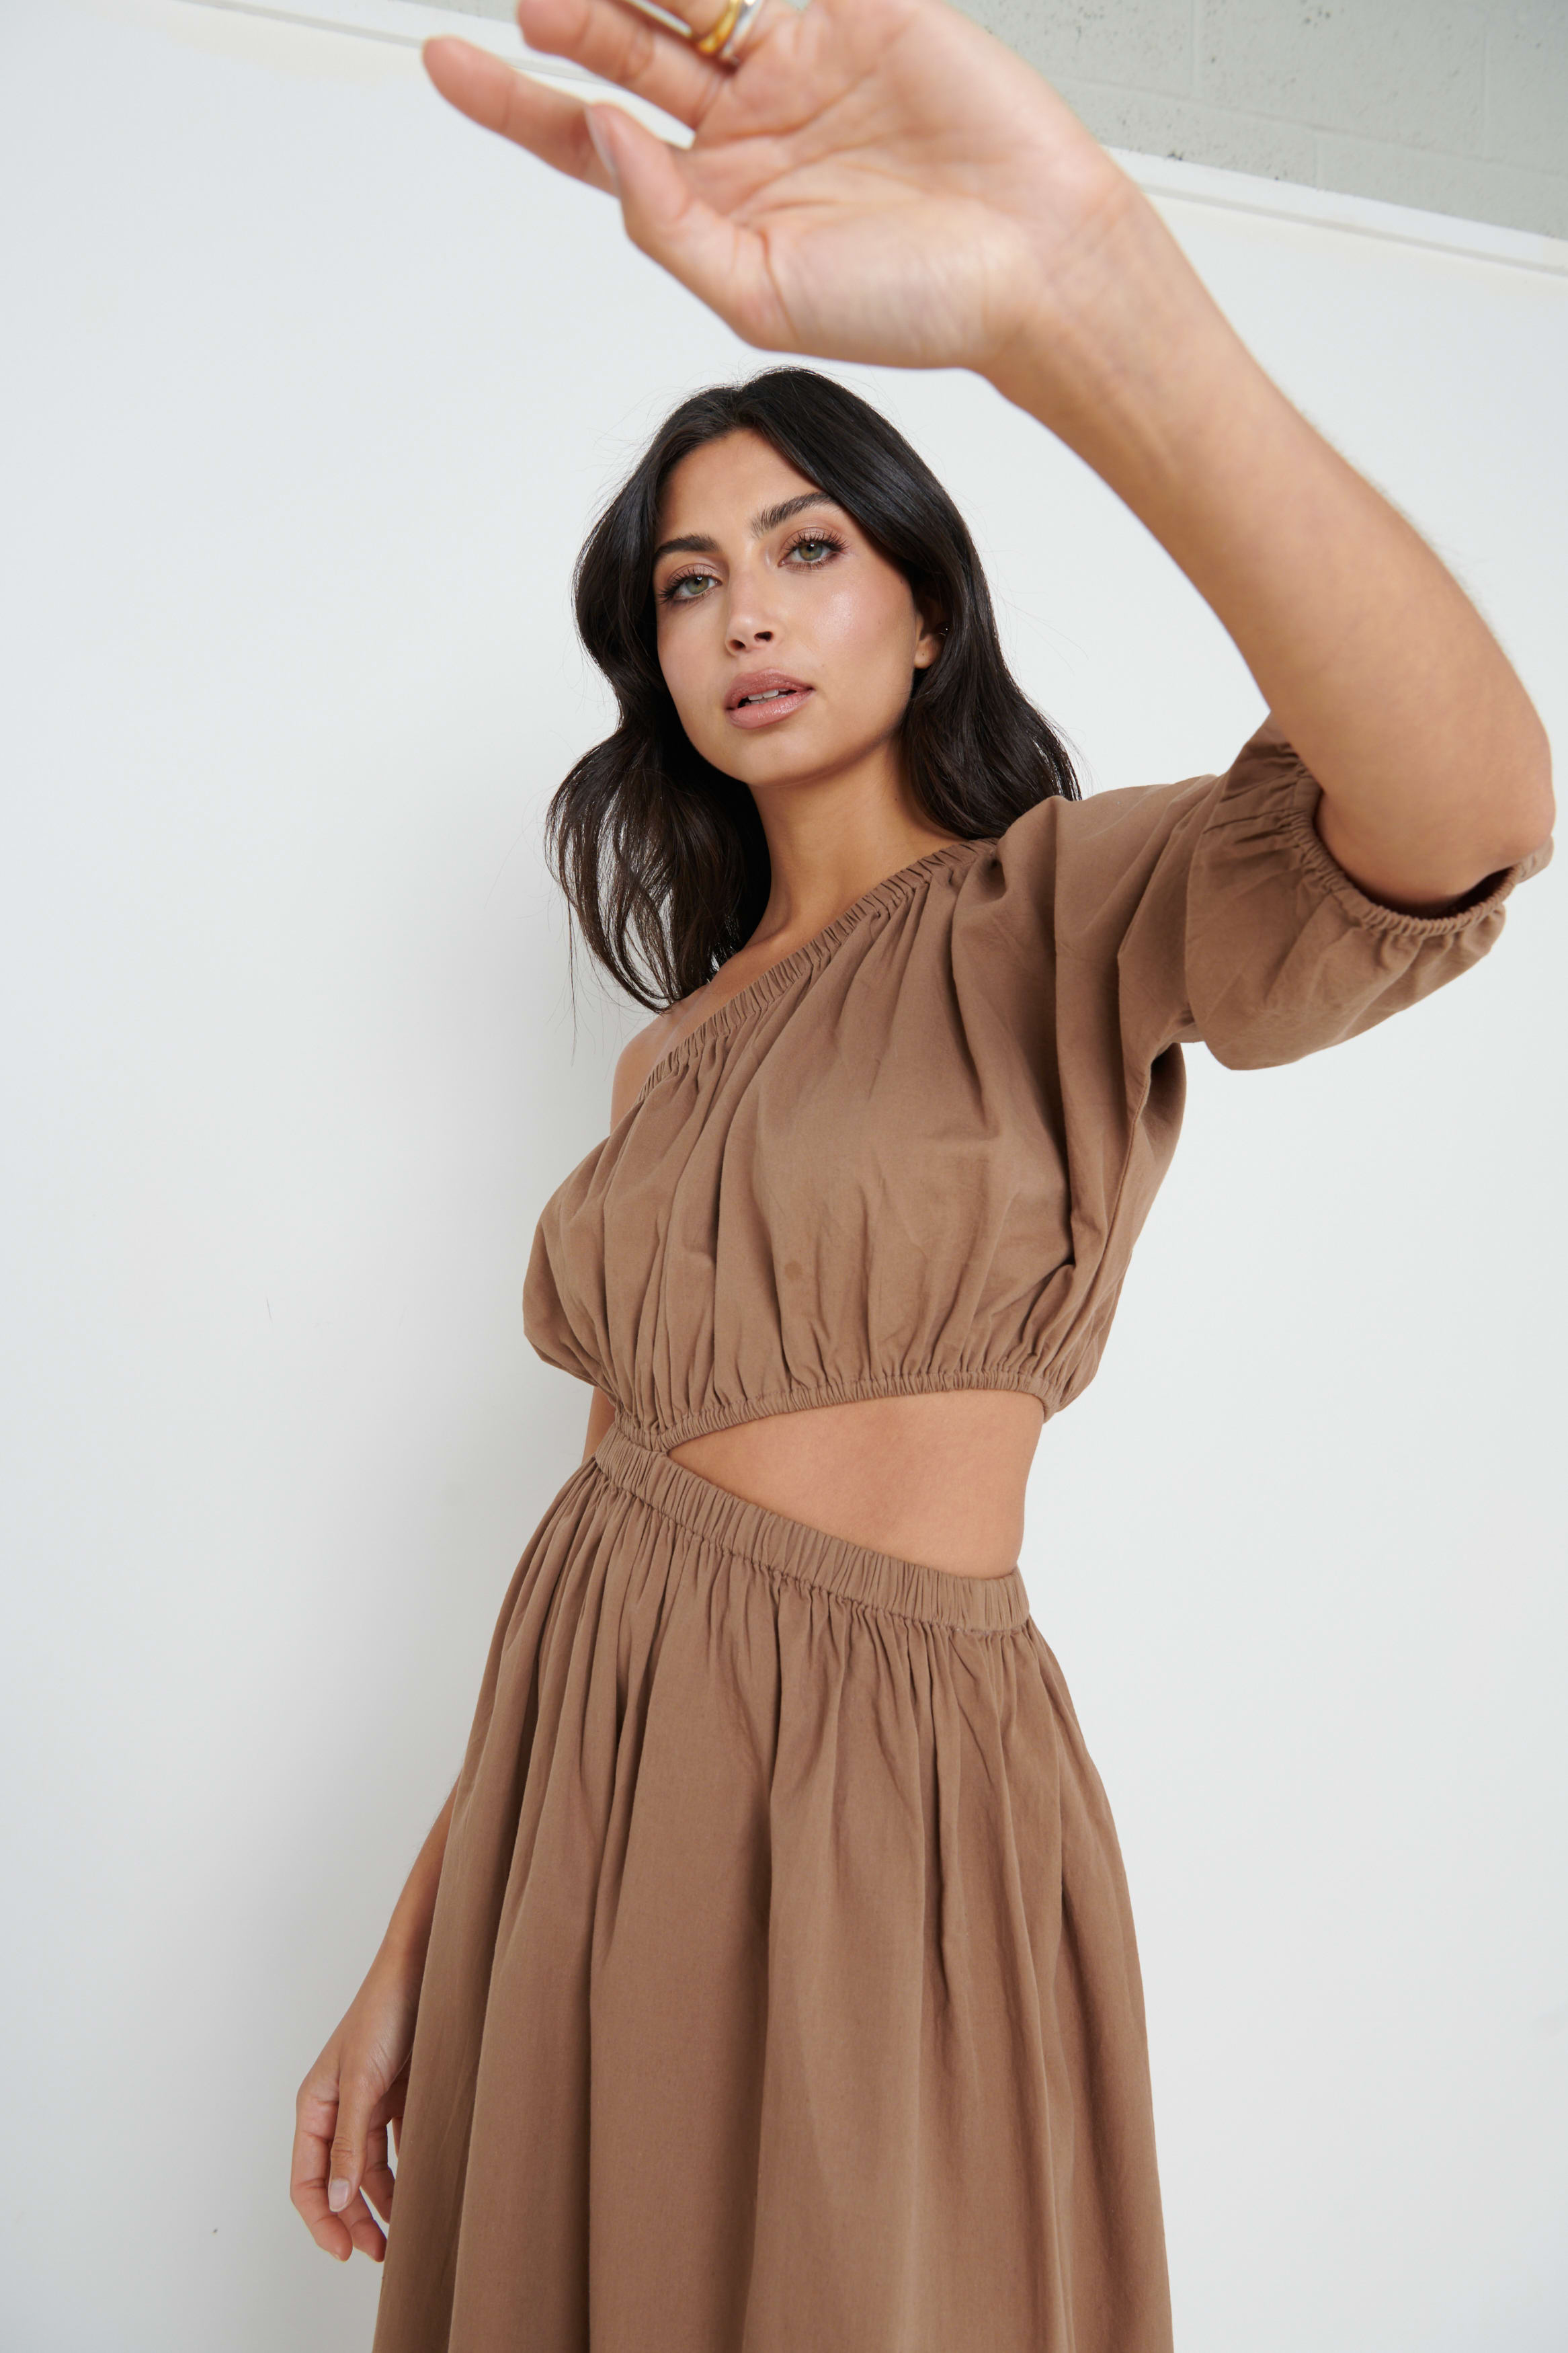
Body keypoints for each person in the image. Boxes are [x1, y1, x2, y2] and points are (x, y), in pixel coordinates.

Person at [288, 0, 1555, 2345]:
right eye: (688, 584)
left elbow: (1471, 808)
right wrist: (407, 1953)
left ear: (927, 601)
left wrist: (1087, 292)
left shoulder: (1063, 912)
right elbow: (607, 1498)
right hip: (580, 1806)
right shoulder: (669, 1065)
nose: (749, 613)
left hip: (888, 1798)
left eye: (806, 546)